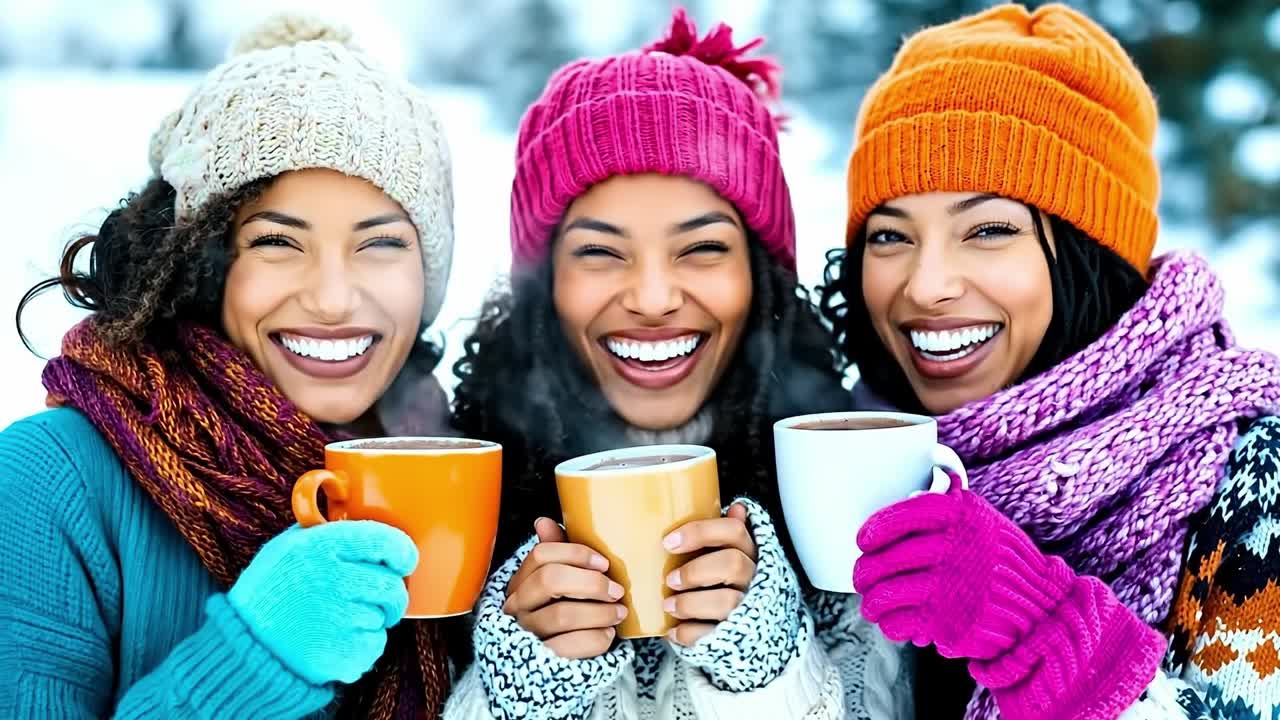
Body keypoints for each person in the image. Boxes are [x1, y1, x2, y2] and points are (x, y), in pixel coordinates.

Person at [444, 9, 911, 720]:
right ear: (544, 288)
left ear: (761, 280)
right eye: (599, 253)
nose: (655, 299)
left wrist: (765, 670)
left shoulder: (838, 489)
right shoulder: (465, 495)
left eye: (702, 248)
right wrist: (519, 693)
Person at [819, 4, 1280, 719]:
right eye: (889, 237)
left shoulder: (1252, 472)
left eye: (990, 229)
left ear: (1090, 255)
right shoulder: (835, 468)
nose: (925, 284)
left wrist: (1043, 635)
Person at [0, 15, 460, 718]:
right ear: (198, 265)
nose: (334, 299)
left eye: (380, 244)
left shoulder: (463, 475)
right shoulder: (49, 480)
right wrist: (257, 658)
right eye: (277, 241)